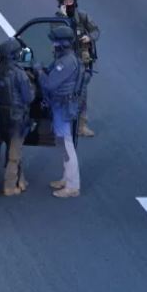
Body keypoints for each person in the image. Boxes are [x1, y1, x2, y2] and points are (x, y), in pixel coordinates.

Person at [38, 25, 84, 198]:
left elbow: (49, 84)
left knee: (66, 144)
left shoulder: (66, 62)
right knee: (62, 143)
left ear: (62, 44)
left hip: (63, 107)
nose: (52, 45)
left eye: (55, 42)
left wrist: (38, 72)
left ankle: (73, 185)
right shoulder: (64, 59)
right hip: (61, 106)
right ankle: (66, 178)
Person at [56, 0, 99, 137]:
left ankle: (81, 126)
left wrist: (89, 37)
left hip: (81, 62)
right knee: (61, 93)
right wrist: (61, 17)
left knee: (82, 93)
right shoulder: (56, 19)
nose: (68, 4)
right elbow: (53, 34)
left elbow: (95, 31)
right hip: (65, 62)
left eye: (70, 1)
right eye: (65, 2)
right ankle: (60, 124)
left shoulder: (82, 16)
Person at [0, 39, 36, 196]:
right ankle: (10, 186)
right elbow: (28, 98)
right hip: (17, 118)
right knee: (14, 153)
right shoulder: (20, 74)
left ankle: (21, 180)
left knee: (11, 149)